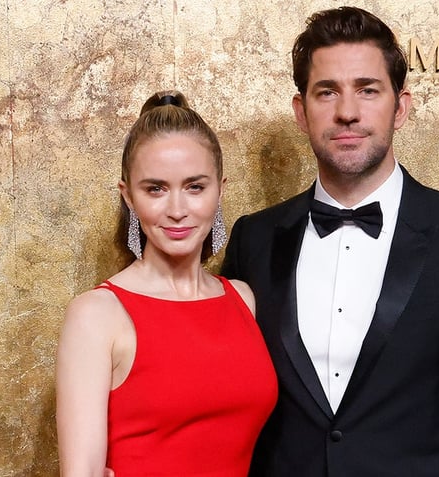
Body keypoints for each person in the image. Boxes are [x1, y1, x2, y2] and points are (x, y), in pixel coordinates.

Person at [221, 6, 439, 476]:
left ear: (401, 106)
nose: (347, 112)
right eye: (326, 92)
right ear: (300, 111)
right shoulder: (255, 238)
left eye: (367, 91)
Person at [56, 91, 278, 477]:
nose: (177, 210)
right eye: (155, 188)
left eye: (195, 187)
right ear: (128, 196)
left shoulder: (243, 299)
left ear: (220, 190)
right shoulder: (96, 315)